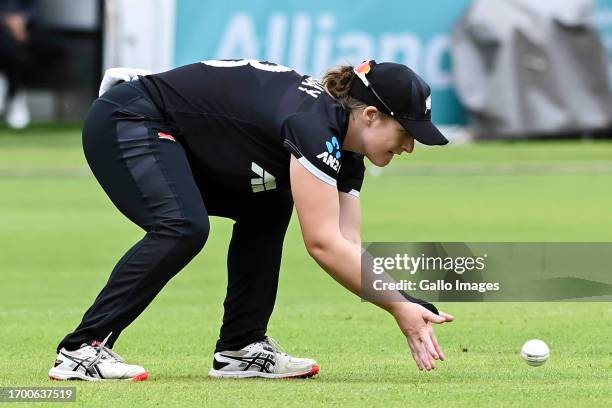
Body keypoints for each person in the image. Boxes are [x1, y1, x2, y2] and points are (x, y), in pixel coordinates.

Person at [49, 59, 454, 381]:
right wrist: (397, 308)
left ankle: (240, 350)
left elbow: (347, 242)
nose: (410, 146)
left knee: (271, 202)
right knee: (182, 226)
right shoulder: (313, 126)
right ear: (370, 115)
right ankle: (81, 350)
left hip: (176, 133)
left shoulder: (345, 150)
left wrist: (405, 301)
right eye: (406, 131)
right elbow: (323, 244)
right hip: (129, 119)